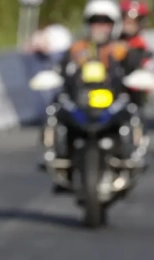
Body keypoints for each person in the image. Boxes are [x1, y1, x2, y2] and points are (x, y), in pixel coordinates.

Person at [39, 0, 150, 190]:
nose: (100, 27)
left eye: (105, 22)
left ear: (113, 25)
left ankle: (131, 154)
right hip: (81, 103)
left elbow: (136, 68)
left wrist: (140, 76)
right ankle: (56, 154)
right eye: (95, 21)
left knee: (132, 111)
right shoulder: (77, 49)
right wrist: (53, 75)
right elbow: (60, 69)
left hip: (112, 103)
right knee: (55, 109)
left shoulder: (121, 49)